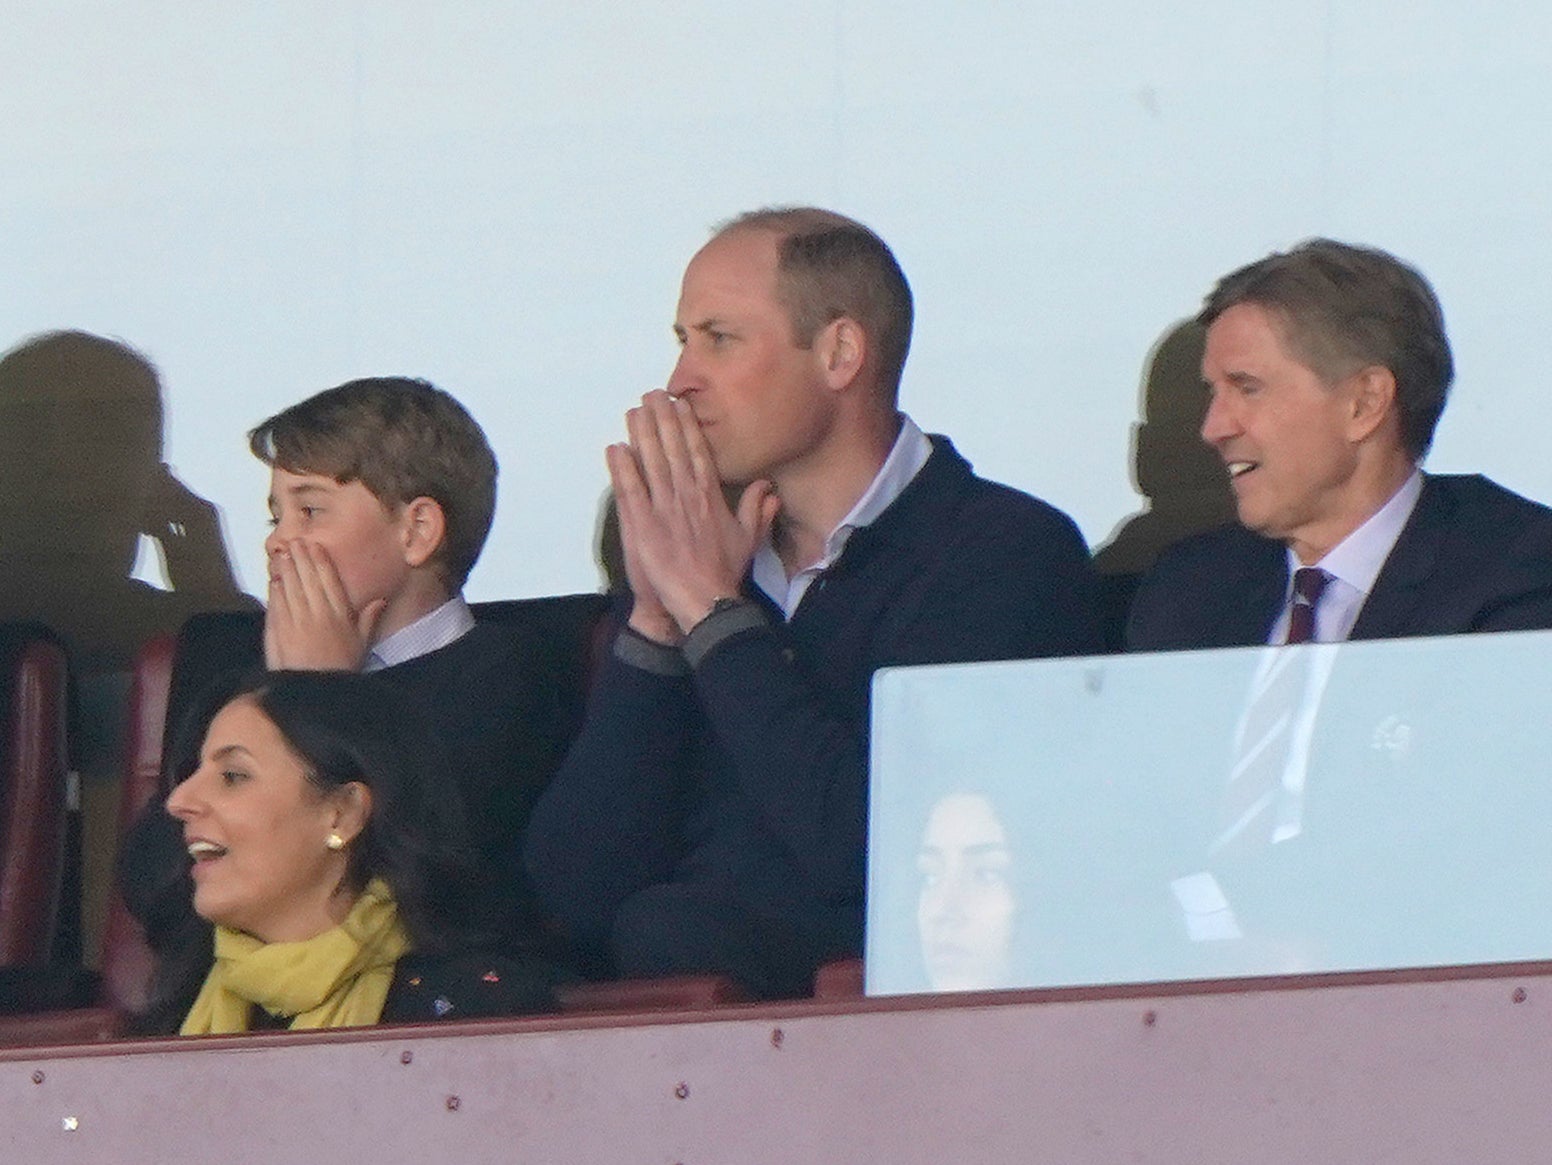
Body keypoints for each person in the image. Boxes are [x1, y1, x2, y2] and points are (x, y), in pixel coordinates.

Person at [524, 207, 1100, 997]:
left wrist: (714, 617)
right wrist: (658, 621)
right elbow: (578, 892)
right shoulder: (697, 559)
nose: (679, 381)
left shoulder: (1003, 553)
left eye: (718, 339)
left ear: (839, 353)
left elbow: (870, 852)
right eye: (681, 341)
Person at [122, 378, 584, 967]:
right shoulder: (232, 676)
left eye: (310, 511)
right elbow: (154, 888)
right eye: (275, 517)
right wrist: (287, 694)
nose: (278, 543)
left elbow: (435, 882)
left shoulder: (516, 680)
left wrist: (317, 702)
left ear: (416, 531)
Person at [1127, 239, 1552, 651]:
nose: (1213, 428)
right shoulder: (1189, 588)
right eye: (1213, 394)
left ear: (1364, 403)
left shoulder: (1518, 573)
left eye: (1248, 387)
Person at [141, 670, 561, 1034]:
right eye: (195, 772)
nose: (179, 800)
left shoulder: (475, 1013)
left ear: (342, 814)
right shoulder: (177, 1008)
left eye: (233, 776)